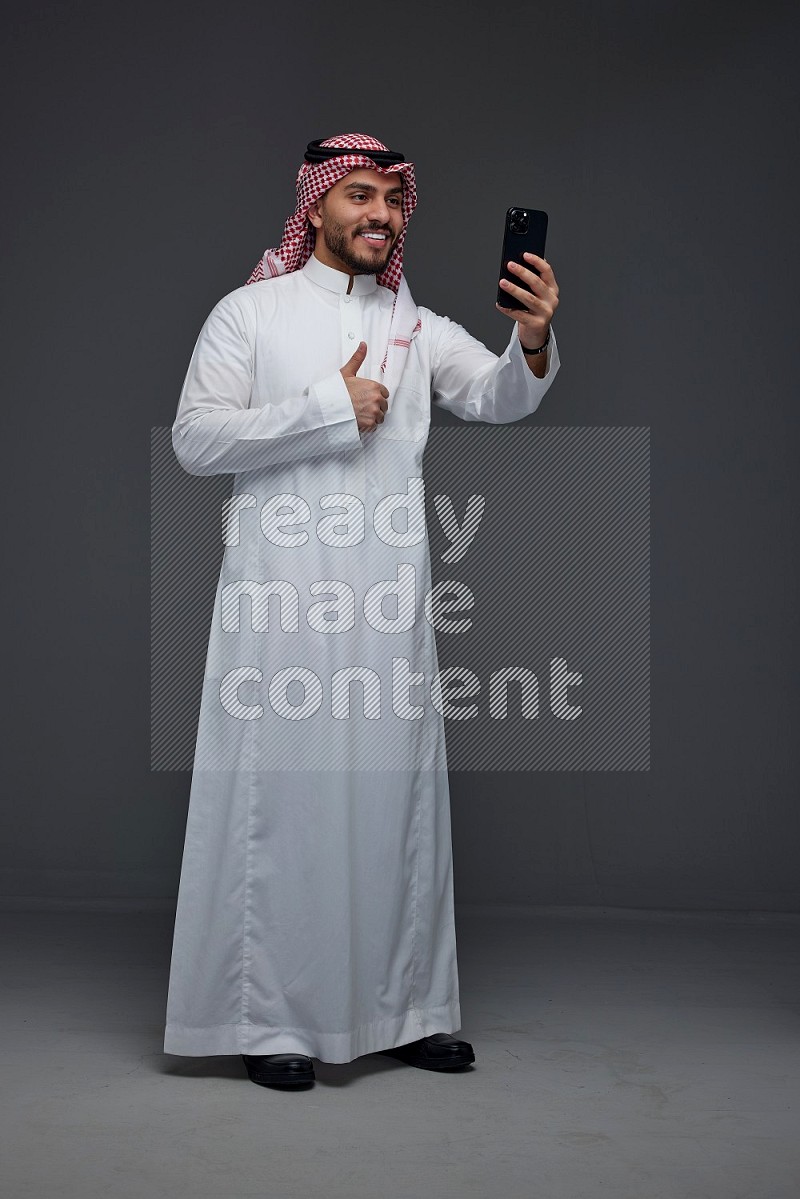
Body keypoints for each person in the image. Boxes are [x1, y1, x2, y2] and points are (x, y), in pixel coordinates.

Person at [164, 133, 561, 1089]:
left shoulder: (413, 323)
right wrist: (326, 405)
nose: (379, 214)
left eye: (392, 197)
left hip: (388, 606)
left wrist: (535, 338)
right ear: (318, 205)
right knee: (288, 809)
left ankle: (408, 1010)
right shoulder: (248, 312)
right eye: (360, 196)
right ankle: (273, 1020)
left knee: (398, 806)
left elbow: (500, 396)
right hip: (284, 607)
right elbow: (195, 439)